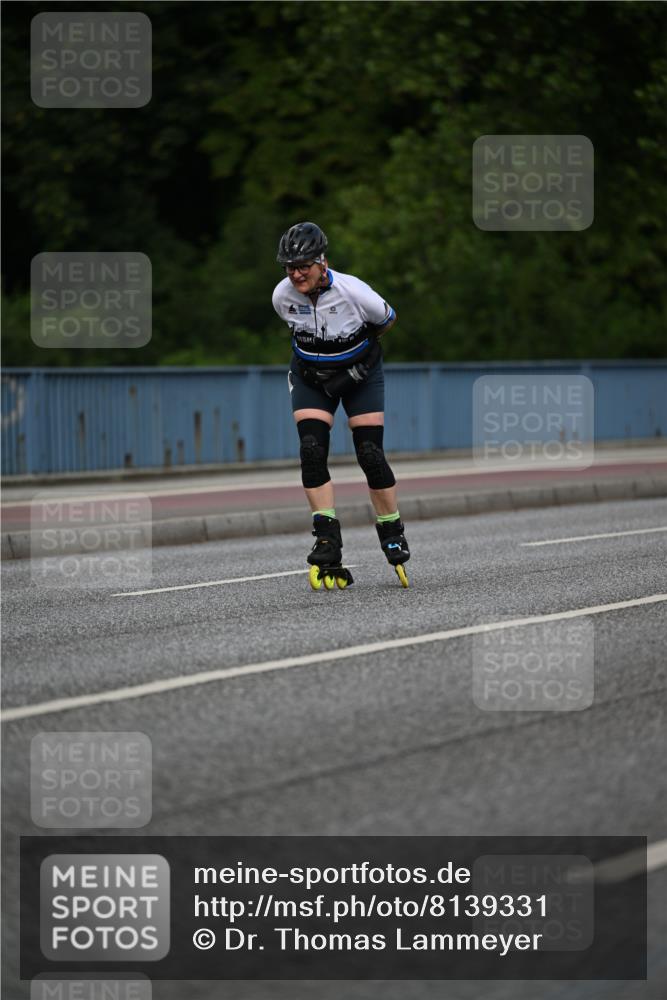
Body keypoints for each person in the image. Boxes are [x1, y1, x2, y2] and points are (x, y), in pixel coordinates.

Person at [272, 221, 410, 587]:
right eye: (290, 266)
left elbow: (387, 321)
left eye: (304, 265)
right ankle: (326, 539)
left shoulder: (354, 291)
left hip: (359, 376)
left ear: (322, 262)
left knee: (369, 453)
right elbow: (296, 332)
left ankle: (391, 529)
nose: (297, 273)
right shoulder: (281, 296)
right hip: (311, 377)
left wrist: (359, 366)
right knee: (312, 448)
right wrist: (314, 366)